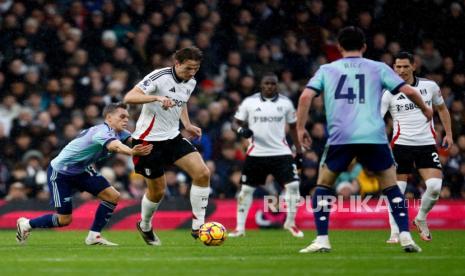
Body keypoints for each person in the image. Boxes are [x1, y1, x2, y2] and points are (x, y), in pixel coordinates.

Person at [296, 26, 433, 253]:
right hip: (373, 136)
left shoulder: (326, 69)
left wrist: (300, 128)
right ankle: (406, 237)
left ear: (339, 47)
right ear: (364, 47)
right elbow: (408, 91)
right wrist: (426, 110)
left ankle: (322, 240)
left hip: (341, 137)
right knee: (391, 187)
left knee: (323, 185)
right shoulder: (378, 68)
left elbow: (305, 96)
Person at [16, 103, 153, 246]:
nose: (126, 120)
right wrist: (132, 152)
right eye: (122, 116)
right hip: (60, 173)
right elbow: (115, 146)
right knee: (64, 220)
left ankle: (94, 236)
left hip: (81, 170)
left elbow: (137, 141)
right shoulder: (102, 132)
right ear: (109, 117)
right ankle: (26, 224)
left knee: (113, 196)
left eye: (128, 117)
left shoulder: (119, 132)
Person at [123, 46, 211, 246]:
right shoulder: (159, 76)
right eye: (188, 68)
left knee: (202, 173)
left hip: (172, 137)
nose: (192, 73)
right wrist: (157, 97)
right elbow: (129, 97)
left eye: (196, 68)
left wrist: (187, 124)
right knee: (157, 192)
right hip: (147, 141)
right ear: (177, 63)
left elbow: (182, 102)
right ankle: (145, 225)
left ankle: (199, 225)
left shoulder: (191, 82)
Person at [381, 52, 453, 243]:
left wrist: (449, 133)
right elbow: (377, 120)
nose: (401, 70)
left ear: (414, 66)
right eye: (398, 67)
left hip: (426, 145)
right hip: (400, 146)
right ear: (394, 68)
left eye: (405, 66)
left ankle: (420, 218)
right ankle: (394, 233)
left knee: (435, 187)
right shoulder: (388, 92)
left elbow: (442, 109)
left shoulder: (429, 86)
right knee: (397, 191)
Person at [228, 73, 304, 238]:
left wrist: (298, 150)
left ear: (277, 86)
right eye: (266, 83)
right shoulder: (249, 102)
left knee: (293, 186)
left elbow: (293, 128)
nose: (269, 86)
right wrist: (241, 130)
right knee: (246, 190)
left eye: (272, 84)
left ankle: (290, 223)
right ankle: (239, 228)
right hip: (257, 152)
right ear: (261, 85)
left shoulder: (286, 103)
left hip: (280, 152)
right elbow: (234, 123)